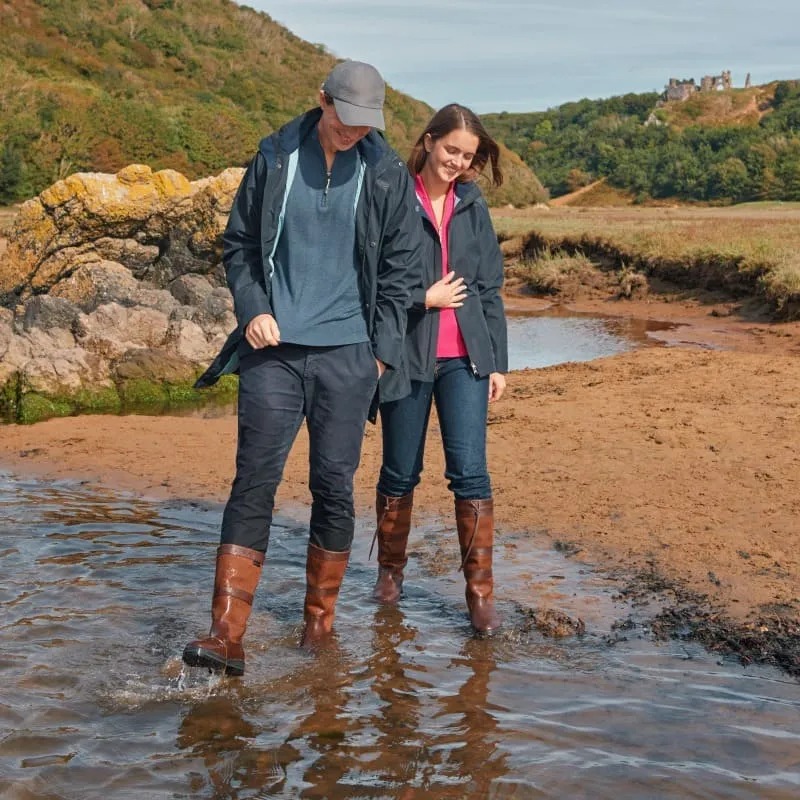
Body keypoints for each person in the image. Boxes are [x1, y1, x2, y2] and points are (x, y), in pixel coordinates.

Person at [183, 61, 421, 675]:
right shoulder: (274, 157)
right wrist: (254, 308)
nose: (356, 133)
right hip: (273, 350)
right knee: (254, 481)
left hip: (349, 355)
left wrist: (379, 353)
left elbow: (400, 271)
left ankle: (318, 627)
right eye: (347, 120)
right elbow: (238, 245)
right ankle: (225, 634)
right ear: (322, 101)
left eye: (368, 124)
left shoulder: (387, 172)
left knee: (333, 487)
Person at [370, 104, 508, 635]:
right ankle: (389, 575)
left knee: (470, 474)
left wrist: (496, 362)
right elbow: (373, 280)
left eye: (467, 156)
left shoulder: (473, 204)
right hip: (406, 353)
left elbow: (490, 288)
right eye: (451, 149)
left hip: (466, 360)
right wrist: (421, 298)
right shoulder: (392, 196)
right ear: (428, 143)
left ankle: (479, 596)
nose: (457, 162)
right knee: (400, 472)